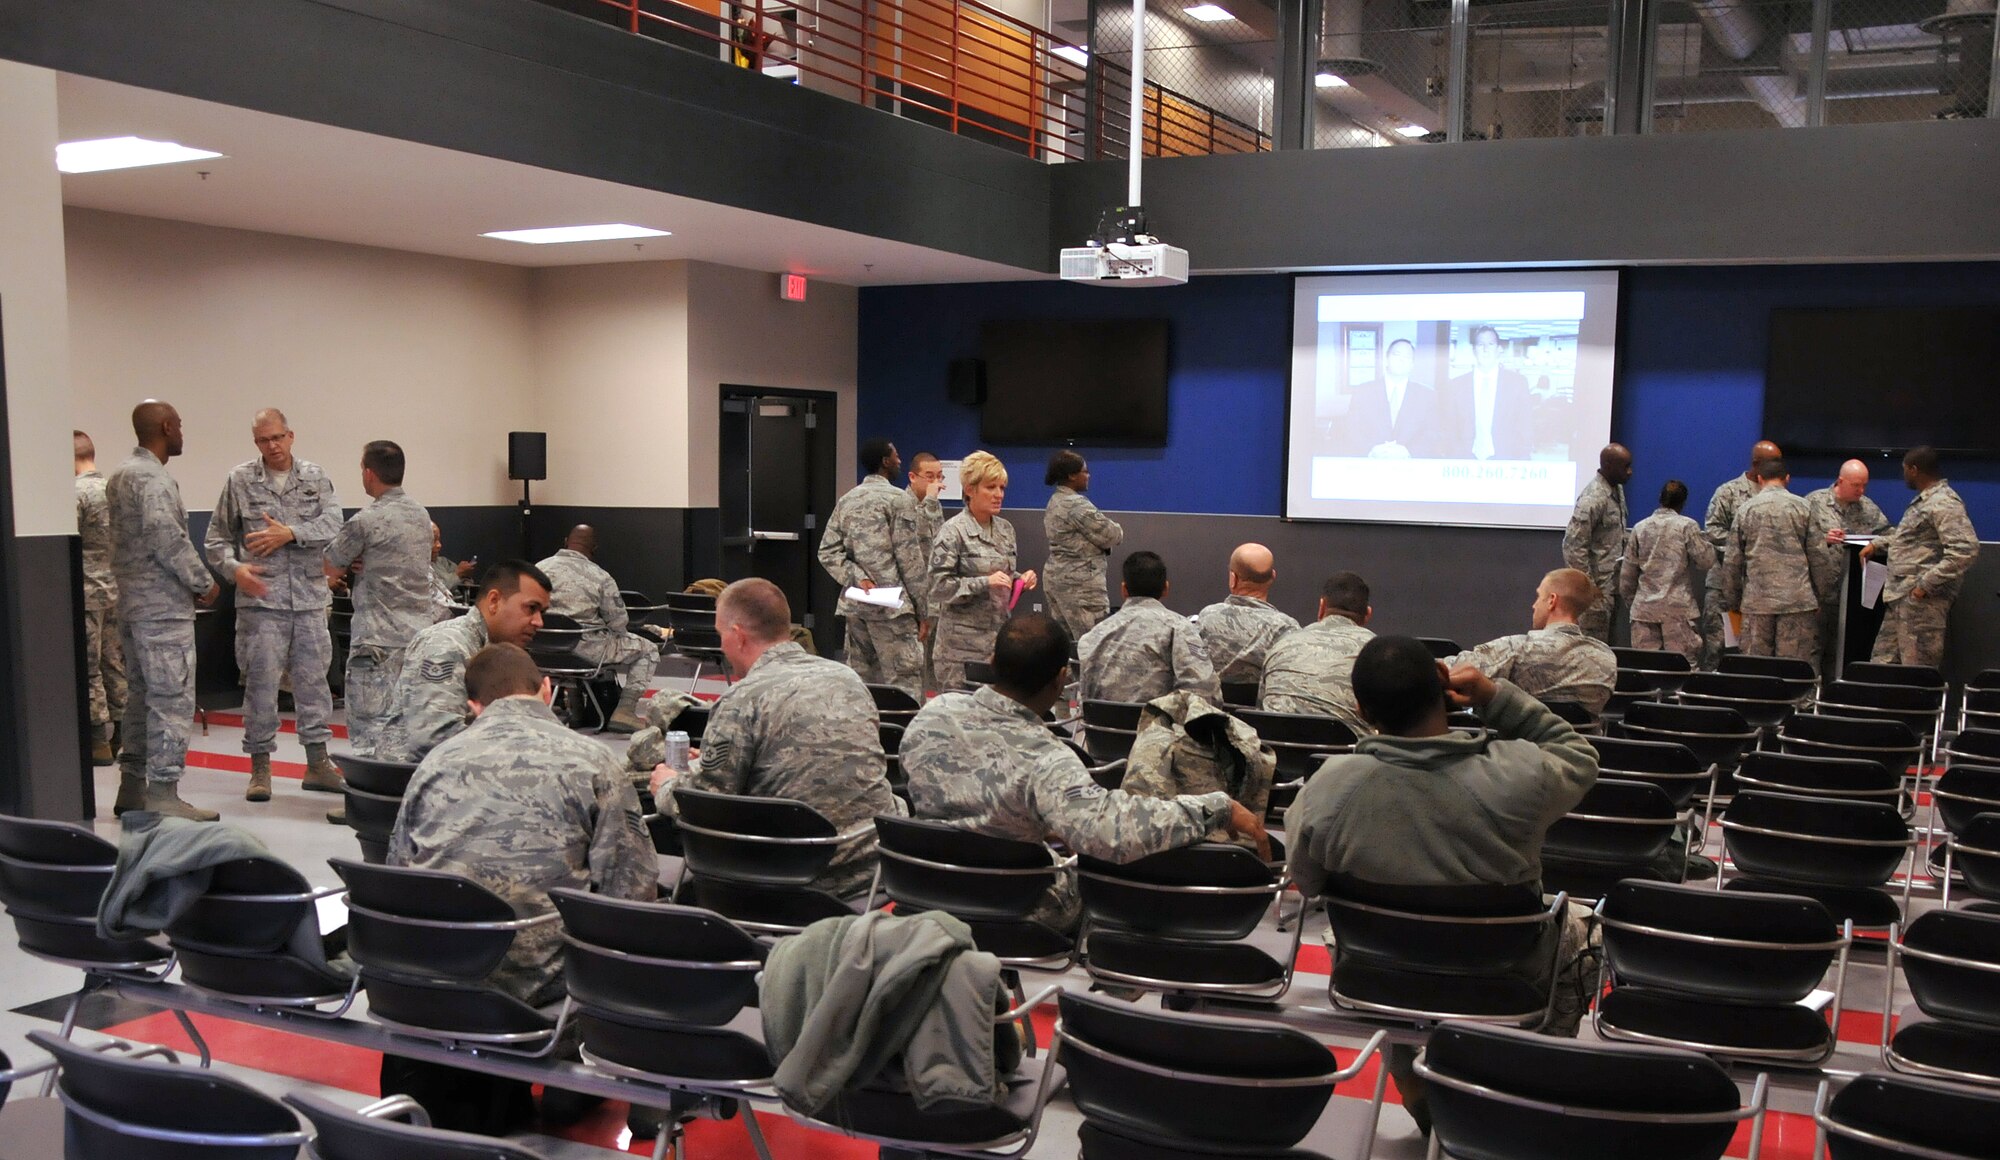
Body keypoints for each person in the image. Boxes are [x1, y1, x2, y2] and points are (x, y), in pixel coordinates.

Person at [1284, 635, 1598, 1134]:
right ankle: (1523, 1081)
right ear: (1445, 691)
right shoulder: (1517, 774)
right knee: (1589, 930)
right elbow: (1578, 755)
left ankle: (1417, 1082)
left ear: (1363, 709)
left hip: (1379, 973)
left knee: (1350, 932)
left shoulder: (1326, 788)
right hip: (1504, 975)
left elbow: (1306, 881)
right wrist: (1498, 698)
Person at [385, 641, 656, 1131]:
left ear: (473, 706)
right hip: (536, 987)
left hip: (435, 978)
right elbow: (631, 896)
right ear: (546, 691)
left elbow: (398, 874)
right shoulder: (594, 761)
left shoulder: (434, 763)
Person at [900, 614, 1268, 929]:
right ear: (1062, 679)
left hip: (924, 886)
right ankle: (1136, 987)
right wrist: (1213, 808)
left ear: (991, 660)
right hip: (1011, 904)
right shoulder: (1048, 758)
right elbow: (1110, 835)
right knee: (1129, 879)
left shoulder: (934, 714)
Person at [649, 578, 902, 900]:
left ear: (738, 636)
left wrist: (668, 784)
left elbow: (706, 800)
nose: (722, 645)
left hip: (790, 876)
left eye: (721, 633)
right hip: (871, 867)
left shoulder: (743, 698)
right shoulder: (847, 678)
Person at [205, 409, 346, 802]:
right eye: (264, 441)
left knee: (314, 685)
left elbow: (335, 521)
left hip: (308, 601)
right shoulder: (240, 480)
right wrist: (235, 571)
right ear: (256, 443)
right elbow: (215, 540)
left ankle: (317, 763)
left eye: (278, 438)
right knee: (260, 687)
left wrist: (291, 533)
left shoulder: (315, 478)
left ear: (291, 436)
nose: (272, 446)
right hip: (261, 603)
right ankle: (260, 769)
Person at [106, 401, 222, 821]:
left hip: (132, 605)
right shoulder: (152, 478)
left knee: (139, 698)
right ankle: (164, 791)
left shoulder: (120, 474)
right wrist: (203, 582)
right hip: (162, 609)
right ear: (168, 426)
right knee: (171, 699)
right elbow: (166, 538)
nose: (182, 434)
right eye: (180, 426)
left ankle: (132, 787)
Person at [323, 441, 434, 759]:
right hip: (416, 639)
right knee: (407, 726)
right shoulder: (421, 516)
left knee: (370, 729)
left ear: (368, 473)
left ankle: (367, 802)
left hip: (376, 639)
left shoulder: (365, 520)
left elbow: (330, 564)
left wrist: (357, 558)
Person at [376, 561, 550, 764]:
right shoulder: (447, 644)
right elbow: (433, 738)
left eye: (542, 612)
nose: (539, 622)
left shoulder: (496, 653)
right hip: (413, 779)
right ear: (494, 601)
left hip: (452, 775)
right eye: (531, 608)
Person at [817, 439, 929, 700]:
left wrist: (857, 577)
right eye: (896, 455)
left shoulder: (847, 500)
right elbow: (909, 560)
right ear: (885, 462)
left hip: (858, 609)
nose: (900, 460)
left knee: (860, 686)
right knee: (905, 686)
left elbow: (827, 551)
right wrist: (925, 611)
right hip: (894, 611)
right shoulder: (900, 500)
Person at [1861, 446, 1980, 667]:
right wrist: (1877, 544)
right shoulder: (1924, 501)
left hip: (1922, 605)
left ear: (1914, 470)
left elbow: (1965, 550)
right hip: (1900, 598)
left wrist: (1924, 586)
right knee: (1881, 665)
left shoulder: (1943, 502)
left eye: (1905, 469)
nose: (1903, 475)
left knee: (1917, 673)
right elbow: (1912, 538)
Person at [537, 524, 662, 733]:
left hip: (540, 651)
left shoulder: (538, 570)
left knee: (570, 644)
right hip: (587, 651)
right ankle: (625, 711)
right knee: (648, 650)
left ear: (565, 541)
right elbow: (619, 623)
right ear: (594, 548)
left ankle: (576, 712)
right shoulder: (600, 576)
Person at [929, 451, 1035, 691]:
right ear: (969, 490)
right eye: (990, 487)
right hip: (959, 651)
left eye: (1002, 488)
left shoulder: (1005, 530)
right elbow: (938, 587)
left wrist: (1021, 579)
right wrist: (984, 582)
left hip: (997, 644)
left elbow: (1004, 575)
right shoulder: (953, 531)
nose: (999, 495)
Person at [1447, 568, 1617, 716]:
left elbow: (1450, 672)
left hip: (1519, 749)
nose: (1534, 605)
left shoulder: (1517, 648)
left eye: (1538, 596)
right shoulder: (1607, 658)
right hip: (1582, 750)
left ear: (1552, 600)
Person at [1077, 551, 1221, 705]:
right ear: (1166, 588)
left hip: (1101, 727)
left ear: (1124, 590)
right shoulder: (1179, 629)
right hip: (1158, 727)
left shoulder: (1092, 636)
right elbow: (1207, 692)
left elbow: (1085, 700)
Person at [1723, 457, 1822, 666]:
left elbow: (1732, 562)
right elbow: (1820, 558)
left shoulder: (1746, 509)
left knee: (1756, 672)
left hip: (1757, 604)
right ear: (1787, 479)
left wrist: (1733, 603)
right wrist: (1821, 597)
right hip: (1797, 603)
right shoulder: (1804, 508)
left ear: (1759, 479)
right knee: (1794, 671)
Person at [1258, 572, 1376, 732]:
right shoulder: (1375, 652)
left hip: (1276, 750)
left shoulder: (1283, 643)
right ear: (1367, 615)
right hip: (1344, 753)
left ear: (1322, 606)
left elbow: (1260, 710)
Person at [1700, 439, 1782, 668]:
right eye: (1772, 461)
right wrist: (1743, 549)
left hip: (1761, 591)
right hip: (1726, 588)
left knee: (1754, 654)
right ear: (1756, 463)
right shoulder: (1728, 492)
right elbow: (1713, 530)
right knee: (1720, 648)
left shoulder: (1778, 495)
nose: (1778, 466)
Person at [1805, 460, 1891, 671]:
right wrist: (1823, 538)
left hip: (1850, 600)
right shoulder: (1813, 503)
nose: (1861, 491)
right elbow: (1797, 541)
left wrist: (1874, 544)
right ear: (1840, 481)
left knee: (1840, 655)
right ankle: (1810, 700)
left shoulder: (1868, 508)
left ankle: (1835, 698)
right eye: (1856, 485)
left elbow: (1891, 536)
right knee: (1810, 652)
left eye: (1864, 485)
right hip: (1816, 597)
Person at [1618, 480, 1714, 664]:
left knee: (1646, 668)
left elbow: (1626, 578)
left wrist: (1637, 605)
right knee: (1683, 668)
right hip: (1678, 611)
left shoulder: (1640, 528)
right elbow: (1706, 561)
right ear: (1683, 502)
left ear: (1660, 499)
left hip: (1643, 610)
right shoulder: (1687, 526)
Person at [74, 430, 126, 767]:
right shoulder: (114, 490)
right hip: (116, 589)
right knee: (114, 662)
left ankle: (97, 741)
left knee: (89, 665)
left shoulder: (74, 494)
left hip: (86, 591)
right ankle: (123, 732)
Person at [1191, 543, 1300, 688]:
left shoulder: (1207, 616)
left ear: (1233, 578)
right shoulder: (1287, 627)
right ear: (1273, 576)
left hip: (1210, 707)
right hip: (1260, 709)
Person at [1041, 450, 1124, 639]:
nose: (1088, 476)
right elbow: (1112, 534)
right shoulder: (1076, 504)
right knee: (1093, 644)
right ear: (1071, 475)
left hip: (1057, 580)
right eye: (1085, 471)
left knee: (1065, 646)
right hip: (1081, 586)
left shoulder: (1055, 500)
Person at [1561, 443, 1632, 642]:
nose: (1630, 472)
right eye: (1625, 466)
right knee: (1590, 648)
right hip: (1595, 593)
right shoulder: (1593, 497)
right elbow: (1573, 546)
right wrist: (1589, 588)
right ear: (1609, 465)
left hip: (1611, 587)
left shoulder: (1616, 490)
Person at [1441, 325, 1533, 461]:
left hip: (1506, 462)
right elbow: (1449, 429)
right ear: (1474, 350)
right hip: (1464, 462)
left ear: (1499, 349)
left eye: (1490, 344)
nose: (1485, 349)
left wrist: (1522, 460)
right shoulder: (1456, 386)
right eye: (1480, 344)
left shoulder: (1517, 383)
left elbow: (1525, 426)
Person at [1342, 338, 1438, 458]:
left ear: (1412, 364)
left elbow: (1432, 433)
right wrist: (1371, 450)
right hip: (1371, 465)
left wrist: (1409, 452)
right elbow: (1351, 429)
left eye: (1407, 357)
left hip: (1410, 467)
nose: (1401, 360)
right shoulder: (1363, 391)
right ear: (1386, 360)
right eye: (1396, 354)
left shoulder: (1426, 395)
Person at [907, 450, 948, 690]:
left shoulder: (934, 505)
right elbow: (914, 539)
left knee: (936, 664)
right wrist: (930, 502)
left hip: (936, 595)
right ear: (913, 477)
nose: (937, 483)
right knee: (915, 666)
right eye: (930, 476)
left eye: (940, 477)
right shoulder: (903, 504)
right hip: (914, 597)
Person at [426, 523, 462, 621]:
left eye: (439, 540)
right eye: (433, 540)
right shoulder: (416, 573)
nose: (439, 545)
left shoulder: (441, 562)